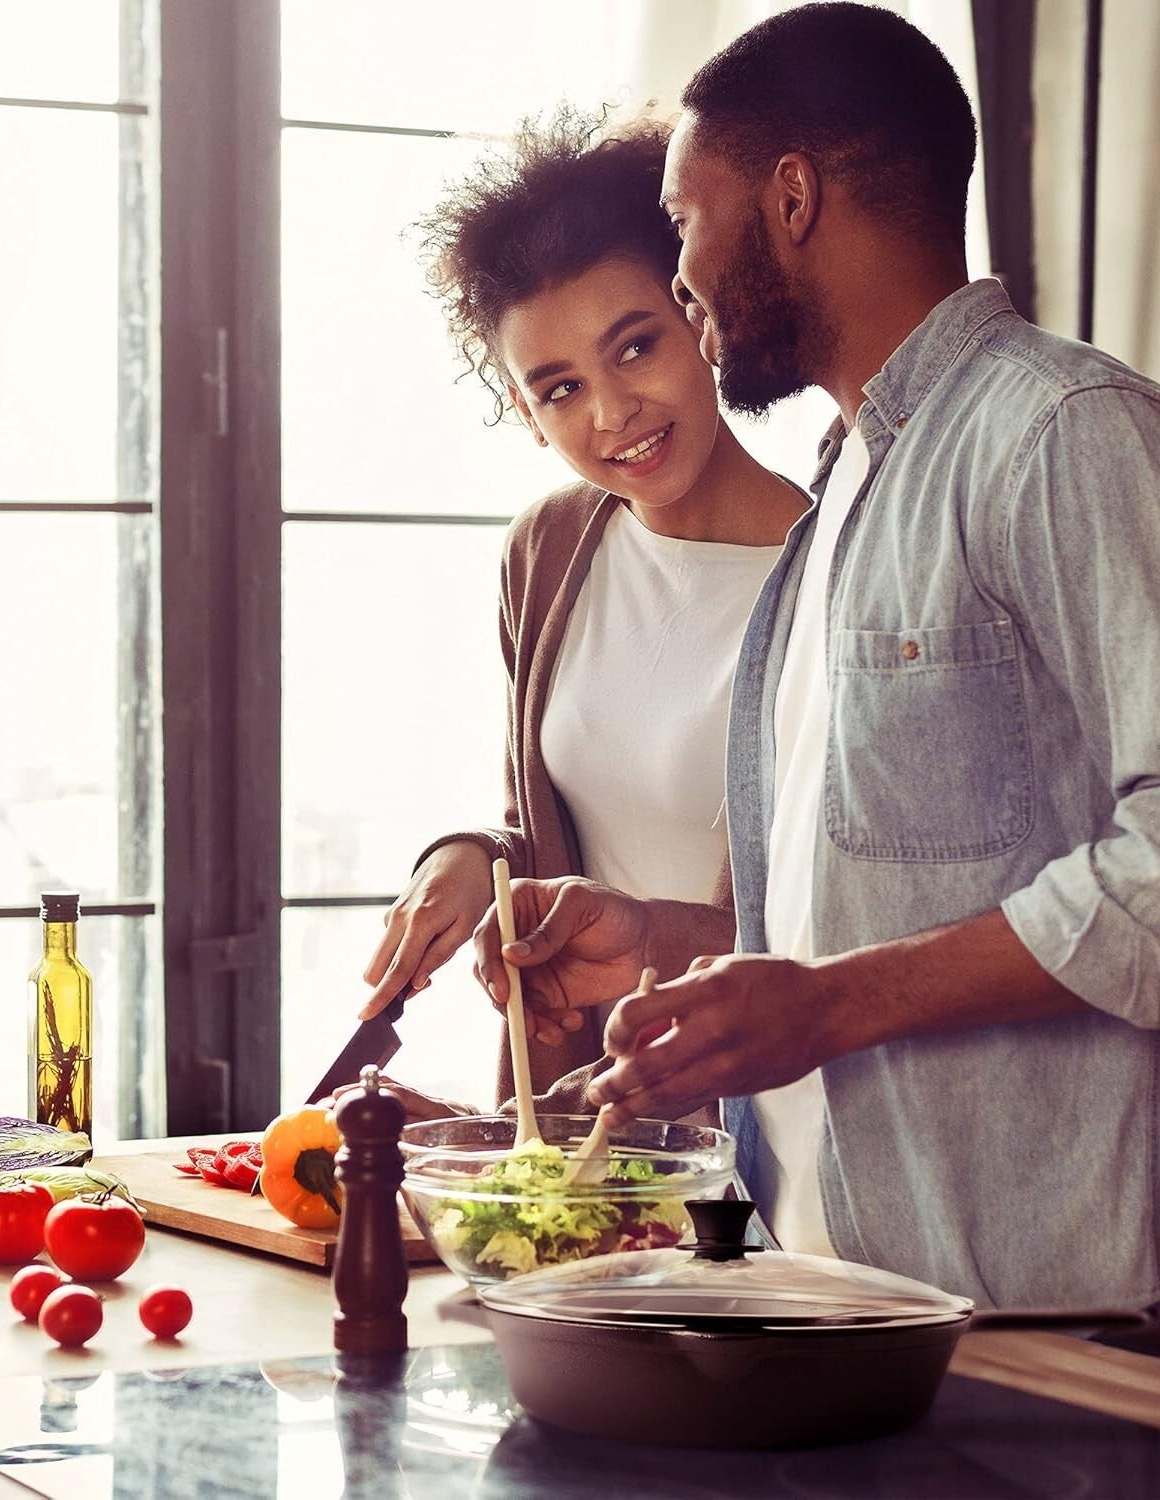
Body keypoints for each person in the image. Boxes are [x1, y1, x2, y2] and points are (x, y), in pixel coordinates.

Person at [474, 3, 1160, 1363]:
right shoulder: (847, 501)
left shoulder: (1067, 438)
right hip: (855, 1296)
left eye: (688, 225)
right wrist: (663, 941)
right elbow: (883, 915)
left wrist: (829, 1005)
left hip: (1072, 1315)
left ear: (793, 199)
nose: (685, 278)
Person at [358, 110, 805, 1112]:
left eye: (635, 347)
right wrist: (472, 857)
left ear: (701, 316)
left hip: (777, 1132)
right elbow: (558, 823)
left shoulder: (835, 569)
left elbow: (850, 923)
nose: (611, 416)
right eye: (560, 388)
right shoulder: (550, 551)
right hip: (595, 1136)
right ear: (525, 409)